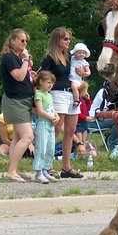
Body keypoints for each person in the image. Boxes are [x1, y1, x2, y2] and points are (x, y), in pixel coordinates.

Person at [40, 27, 84, 178]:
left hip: (71, 94)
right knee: (56, 130)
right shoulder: (50, 57)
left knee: (71, 131)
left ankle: (66, 166)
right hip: (57, 93)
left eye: (69, 39)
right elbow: (43, 76)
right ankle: (48, 164)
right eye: (65, 38)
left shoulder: (68, 57)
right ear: (57, 39)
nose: (68, 41)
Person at [0, 28, 36, 182]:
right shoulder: (9, 58)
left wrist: (30, 74)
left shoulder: (16, 59)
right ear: (12, 40)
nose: (24, 43)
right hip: (15, 101)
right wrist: (26, 60)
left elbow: (23, 77)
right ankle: (12, 170)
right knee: (28, 137)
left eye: (26, 41)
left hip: (23, 99)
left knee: (17, 137)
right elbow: (19, 77)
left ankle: (14, 169)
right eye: (21, 40)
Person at [31, 71, 60, 183]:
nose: (50, 85)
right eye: (48, 82)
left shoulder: (49, 95)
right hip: (43, 123)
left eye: (52, 83)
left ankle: (45, 169)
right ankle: (38, 172)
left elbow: (52, 108)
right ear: (41, 82)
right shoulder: (39, 94)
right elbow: (40, 111)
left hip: (50, 124)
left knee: (50, 148)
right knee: (42, 148)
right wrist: (50, 117)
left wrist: (56, 116)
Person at [88, 85, 118, 156]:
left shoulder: (117, 94)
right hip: (93, 121)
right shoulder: (103, 92)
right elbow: (96, 113)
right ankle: (114, 146)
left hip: (103, 120)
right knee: (117, 121)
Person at [68, 43, 92, 108]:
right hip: (69, 77)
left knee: (74, 86)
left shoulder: (84, 62)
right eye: (79, 52)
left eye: (83, 53)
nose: (81, 54)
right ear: (75, 53)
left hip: (76, 79)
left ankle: (76, 100)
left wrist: (83, 73)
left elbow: (88, 72)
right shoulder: (72, 58)